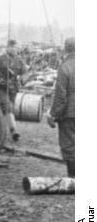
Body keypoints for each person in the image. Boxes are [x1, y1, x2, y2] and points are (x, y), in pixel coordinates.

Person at [47, 38, 75, 177]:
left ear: (66, 49)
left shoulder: (65, 67)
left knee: (69, 145)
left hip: (70, 114)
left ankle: (73, 178)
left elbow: (60, 97)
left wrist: (53, 115)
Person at [0, 39, 27, 142]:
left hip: (13, 89)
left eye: (16, 47)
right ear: (7, 47)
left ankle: (0, 128)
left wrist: (23, 79)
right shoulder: (0, 60)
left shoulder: (19, 60)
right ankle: (14, 131)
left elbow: (24, 73)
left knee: (8, 109)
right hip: (2, 88)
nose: (14, 49)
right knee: (8, 106)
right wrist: (0, 80)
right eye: (12, 47)